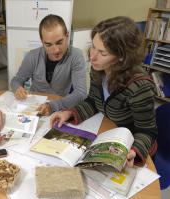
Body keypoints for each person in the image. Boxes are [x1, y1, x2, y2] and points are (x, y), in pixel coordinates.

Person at [50, 16, 157, 167]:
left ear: (122, 57)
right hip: (108, 133)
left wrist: (134, 150)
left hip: (130, 147)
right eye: (93, 46)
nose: (92, 56)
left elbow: (147, 132)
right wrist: (69, 113)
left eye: (103, 53)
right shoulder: (98, 70)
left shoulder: (140, 87)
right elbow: (94, 101)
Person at [10, 14, 87, 116]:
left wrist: (52, 106)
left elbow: (81, 93)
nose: (55, 50)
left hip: (60, 106)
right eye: (48, 45)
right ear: (42, 42)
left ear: (67, 36)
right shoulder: (32, 56)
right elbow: (16, 80)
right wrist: (17, 88)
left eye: (59, 42)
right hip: (34, 106)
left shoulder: (76, 56)